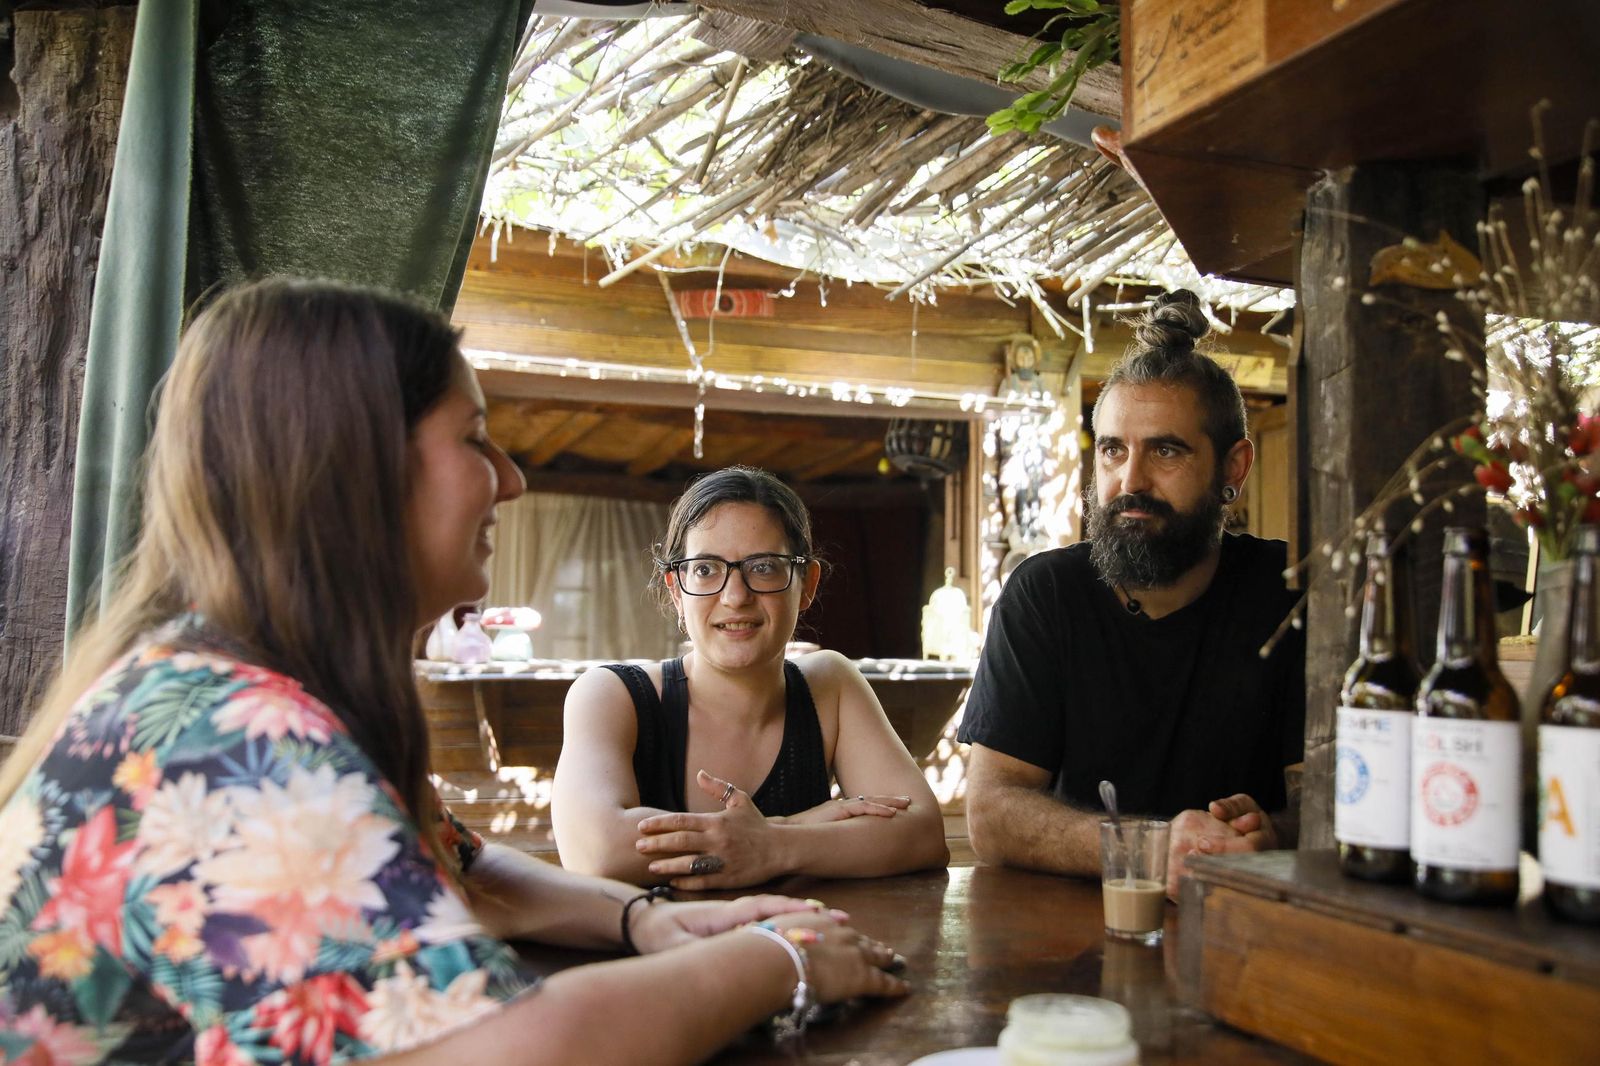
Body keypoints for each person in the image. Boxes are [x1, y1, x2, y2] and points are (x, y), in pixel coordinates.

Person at [0, 279, 908, 1064]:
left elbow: (470, 871)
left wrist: (645, 922)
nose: (509, 479)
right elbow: (503, 1051)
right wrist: (776, 959)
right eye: (475, 440)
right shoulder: (225, 733)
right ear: (354, 470)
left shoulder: (256, 693)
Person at [958, 289, 1305, 898]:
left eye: (1166, 450)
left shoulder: (1287, 595)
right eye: (1114, 450)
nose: (1130, 481)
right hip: (1063, 939)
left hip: (1248, 930)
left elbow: (1332, 806)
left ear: (1234, 468)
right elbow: (991, 815)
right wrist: (1153, 848)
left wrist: (1267, 834)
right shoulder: (1046, 594)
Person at [552, 466, 949, 890]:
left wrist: (773, 845)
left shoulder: (829, 686)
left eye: (763, 567)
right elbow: (598, 853)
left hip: (799, 950)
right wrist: (795, 828)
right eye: (705, 569)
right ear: (676, 590)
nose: (735, 596)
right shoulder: (612, 696)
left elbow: (922, 834)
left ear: (808, 583)